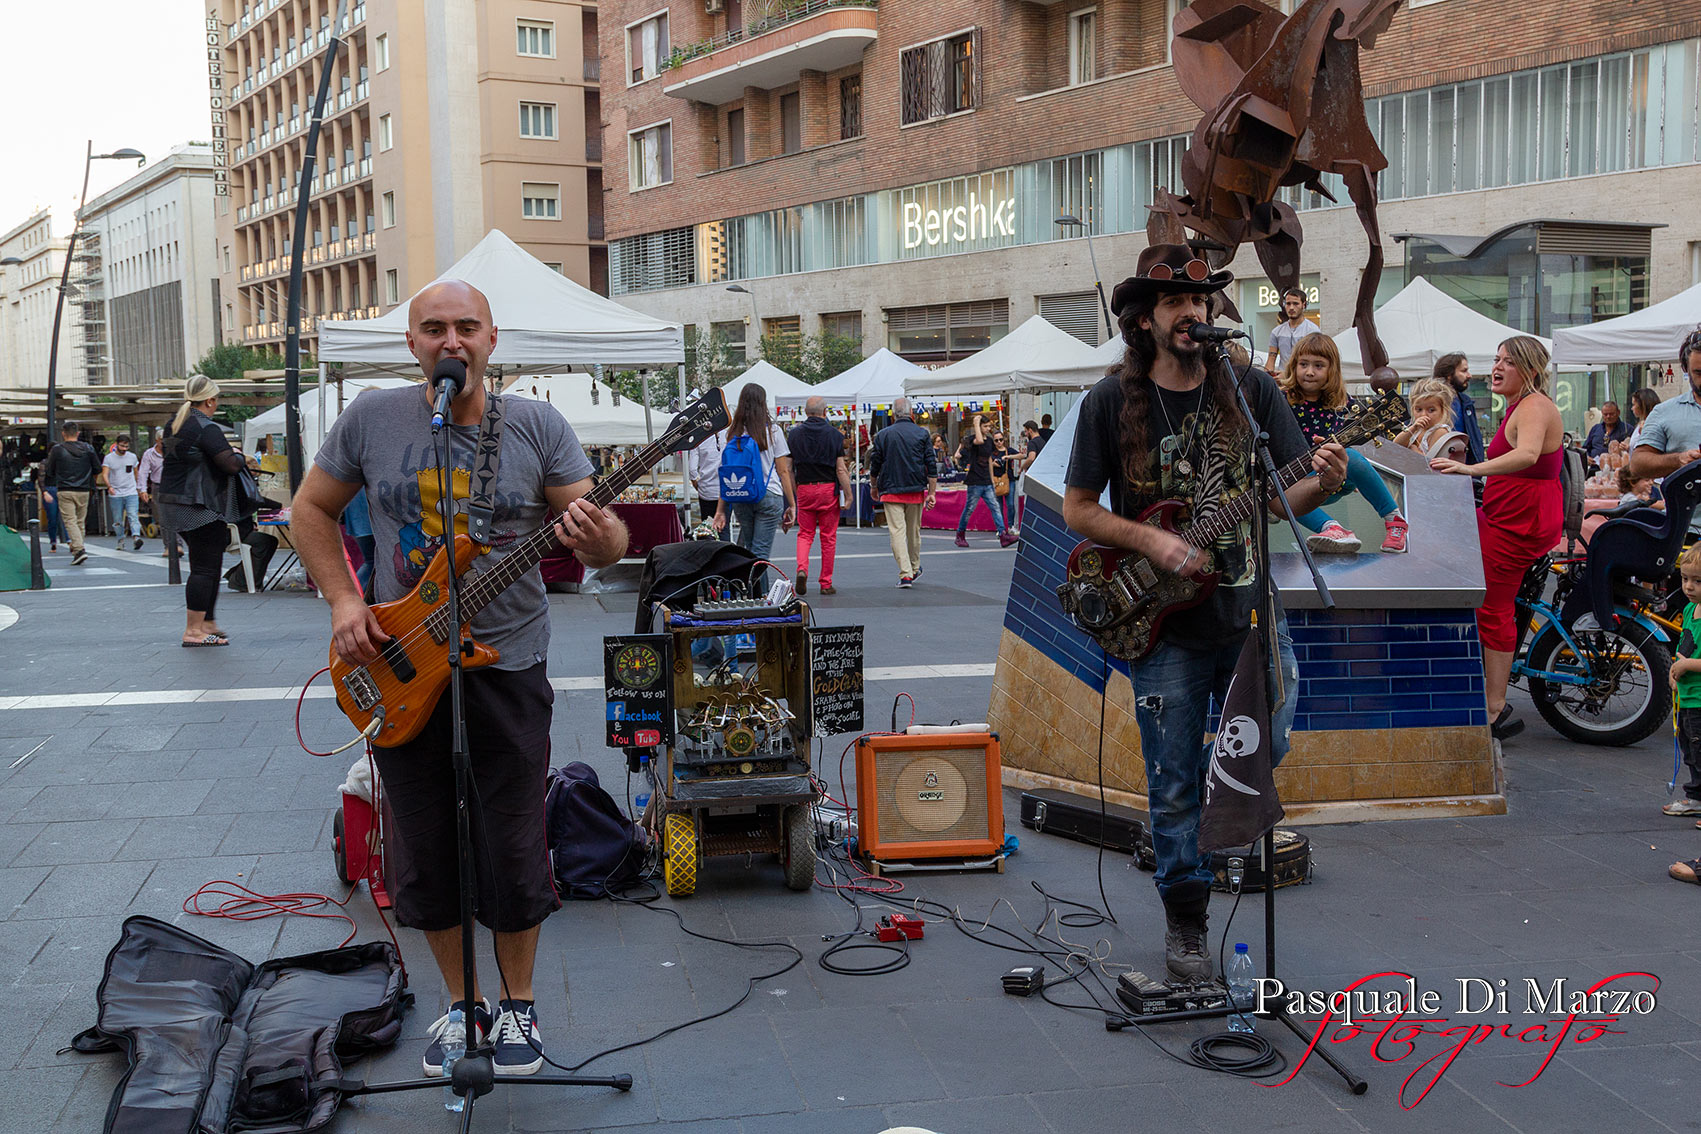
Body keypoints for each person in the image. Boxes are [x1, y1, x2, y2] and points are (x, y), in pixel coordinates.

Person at [291, 279, 628, 1078]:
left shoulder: (536, 424)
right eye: (434, 328)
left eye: (466, 327)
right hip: (399, 662)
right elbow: (309, 510)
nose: (451, 341)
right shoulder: (371, 417)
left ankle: (518, 1008)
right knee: (422, 846)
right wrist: (344, 600)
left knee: (513, 840)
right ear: (412, 343)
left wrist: (598, 535)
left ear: (491, 339)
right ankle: (458, 1006)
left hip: (507, 661)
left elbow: (606, 545)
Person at [1063, 244, 1347, 983]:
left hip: (1248, 613)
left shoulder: (1250, 390)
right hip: (1161, 626)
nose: (1193, 312)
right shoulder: (1107, 401)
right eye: (1175, 304)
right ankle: (1185, 918)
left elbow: (1291, 495)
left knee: (1270, 741)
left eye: (1202, 302)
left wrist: (1327, 483)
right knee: (1172, 779)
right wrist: (1152, 540)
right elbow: (1078, 509)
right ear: (1144, 320)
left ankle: (1211, 833)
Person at [1431, 336, 1565, 741]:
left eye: (1508, 361)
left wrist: (1472, 471)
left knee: (1494, 607)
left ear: (1531, 370)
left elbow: (1526, 455)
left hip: (1518, 523)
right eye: (1496, 359)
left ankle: (1494, 707)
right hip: (1507, 517)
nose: (1496, 367)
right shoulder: (1520, 406)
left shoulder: (1536, 406)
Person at [1278, 333, 1408, 553]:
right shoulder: (1281, 399)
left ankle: (1394, 519)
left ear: (1331, 370)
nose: (1309, 372)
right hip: (1296, 486)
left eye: (1318, 365)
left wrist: (1349, 472)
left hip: (1332, 476)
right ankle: (1331, 528)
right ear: (1294, 366)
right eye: (1303, 364)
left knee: (1353, 457)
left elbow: (1347, 444)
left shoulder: (1343, 402)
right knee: (1279, 490)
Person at [158, 378, 254, 646]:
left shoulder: (174, 425)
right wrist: (240, 455)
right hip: (200, 505)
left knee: (208, 564)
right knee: (204, 568)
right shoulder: (206, 426)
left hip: (174, 502)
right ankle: (193, 631)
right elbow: (230, 465)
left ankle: (208, 623)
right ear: (210, 400)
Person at [713, 384, 796, 560]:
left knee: (750, 551)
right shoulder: (773, 431)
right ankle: (760, 589)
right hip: (769, 494)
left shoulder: (732, 433)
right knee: (760, 554)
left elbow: (726, 472)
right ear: (763, 403)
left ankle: (749, 588)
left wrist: (720, 510)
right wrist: (791, 503)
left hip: (740, 494)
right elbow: (783, 471)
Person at [1629, 329, 1701, 526]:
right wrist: (1679, 459)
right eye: (1699, 372)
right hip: (1687, 530)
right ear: (1686, 369)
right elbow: (1638, 463)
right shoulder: (1665, 412)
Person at [869, 396, 938, 587]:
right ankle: (914, 567)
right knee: (913, 531)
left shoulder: (883, 435)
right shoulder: (922, 434)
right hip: (915, 488)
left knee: (897, 532)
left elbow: (875, 464)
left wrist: (874, 486)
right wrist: (932, 492)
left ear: (893, 415)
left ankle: (906, 573)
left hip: (890, 489)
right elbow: (931, 465)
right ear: (911, 414)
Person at [787, 395, 851, 595]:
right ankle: (825, 583)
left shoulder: (794, 435)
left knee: (805, 534)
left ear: (805, 412)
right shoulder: (835, 435)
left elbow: (788, 469)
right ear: (825, 412)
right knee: (828, 537)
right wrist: (848, 495)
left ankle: (802, 568)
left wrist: (794, 493)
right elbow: (841, 470)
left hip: (804, 488)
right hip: (827, 489)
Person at [1666, 544, 1701, 833]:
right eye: (1685, 579)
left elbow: (1691, 659)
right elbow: (1684, 647)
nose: (1689, 586)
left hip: (1700, 698)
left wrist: (1688, 666)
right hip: (1688, 698)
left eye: (1698, 581)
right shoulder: (1690, 609)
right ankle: (1695, 797)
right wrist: (1675, 671)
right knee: (1689, 749)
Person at [952, 415, 1018, 548]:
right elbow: (979, 440)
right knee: (969, 509)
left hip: (986, 480)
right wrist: (976, 422)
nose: (988, 429)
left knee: (995, 507)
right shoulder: (973, 439)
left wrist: (991, 477)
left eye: (989, 426)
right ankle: (960, 534)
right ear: (979, 427)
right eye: (985, 426)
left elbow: (989, 459)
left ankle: (1003, 534)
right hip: (975, 480)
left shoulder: (989, 442)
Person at [41, 420, 101, 565]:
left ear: (63, 434)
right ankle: (77, 550)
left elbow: (49, 471)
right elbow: (97, 468)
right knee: (80, 521)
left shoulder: (57, 449)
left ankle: (79, 549)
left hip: (65, 489)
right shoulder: (88, 448)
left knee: (70, 521)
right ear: (78, 433)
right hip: (84, 490)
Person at [1434, 352, 1487, 465]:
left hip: (1466, 470)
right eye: (1464, 371)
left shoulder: (1466, 402)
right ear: (1449, 374)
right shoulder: (1432, 402)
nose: (1469, 375)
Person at [1396, 378, 1466, 460]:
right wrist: (1412, 428)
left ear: (1443, 411)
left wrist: (1413, 449)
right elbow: (1396, 444)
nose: (1423, 414)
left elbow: (1429, 462)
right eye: (1419, 410)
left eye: (1431, 410)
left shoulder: (1439, 431)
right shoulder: (1417, 429)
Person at [1264, 286, 1320, 373]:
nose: (1291, 308)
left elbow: (1314, 360)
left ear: (1304, 305)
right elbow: (1271, 358)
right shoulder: (1276, 332)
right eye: (1288, 303)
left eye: (1295, 303)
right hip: (1282, 380)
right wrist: (1267, 377)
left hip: (1303, 378)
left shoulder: (1312, 331)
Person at [101, 435, 144, 551]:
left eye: (126, 446)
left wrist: (138, 488)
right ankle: (120, 539)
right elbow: (105, 473)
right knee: (117, 519)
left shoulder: (132, 457)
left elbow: (136, 473)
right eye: (122, 446)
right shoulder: (109, 458)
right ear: (116, 444)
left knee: (133, 515)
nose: (124, 449)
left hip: (131, 491)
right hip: (116, 492)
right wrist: (109, 486)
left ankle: (136, 537)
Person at [688, 429, 723, 525]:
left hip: (706, 491)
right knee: (724, 527)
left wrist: (697, 485)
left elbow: (692, 470)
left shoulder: (699, 437)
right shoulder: (728, 435)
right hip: (725, 491)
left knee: (708, 527)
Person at [991, 428, 1021, 532]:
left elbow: (1022, 455)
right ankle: (1001, 528)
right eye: (996, 440)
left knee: (1010, 504)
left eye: (1001, 439)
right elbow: (984, 463)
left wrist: (1009, 457)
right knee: (998, 506)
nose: (999, 442)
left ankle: (1011, 525)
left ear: (1004, 439)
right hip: (996, 480)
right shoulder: (992, 452)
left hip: (1009, 479)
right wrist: (993, 463)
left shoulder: (1009, 450)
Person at [1626, 386, 1661, 452]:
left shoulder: (1650, 425)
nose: (1632, 408)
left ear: (1642, 405)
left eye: (1634, 405)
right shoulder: (1640, 424)